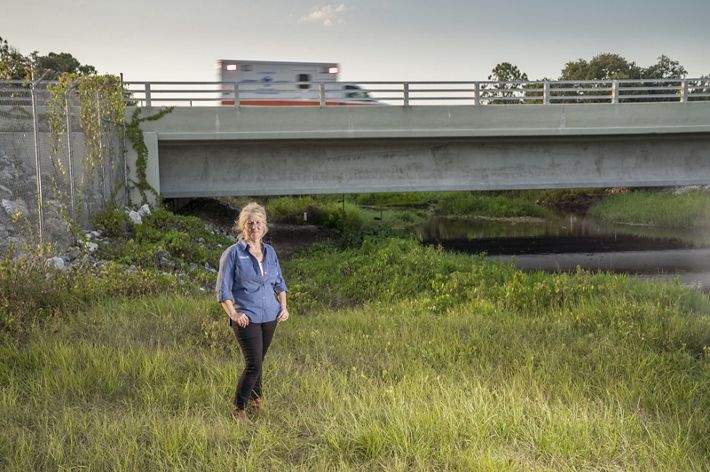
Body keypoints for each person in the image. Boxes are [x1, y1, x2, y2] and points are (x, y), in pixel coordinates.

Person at [216, 202, 289, 423]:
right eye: (249, 223)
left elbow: (280, 283)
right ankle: (239, 407)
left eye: (258, 223)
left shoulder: (270, 252)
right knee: (254, 363)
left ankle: (257, 400)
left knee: (260, 360)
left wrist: (283, 307)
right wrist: (234, 314)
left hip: (270, 316)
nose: (254, 227)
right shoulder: (233, 254)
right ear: (242, 226)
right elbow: (223, 290)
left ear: (264, 226)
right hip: (247, 317)